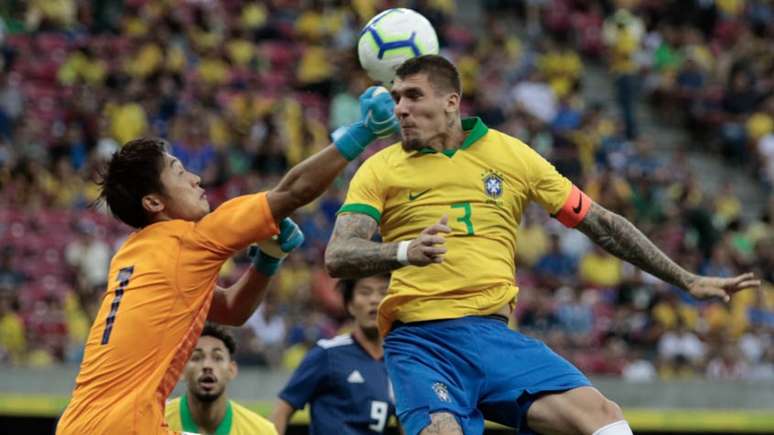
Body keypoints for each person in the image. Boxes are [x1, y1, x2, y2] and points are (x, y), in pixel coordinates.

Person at [325, 55, 760, 435]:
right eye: (397, 97)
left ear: (451, 102)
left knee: (604, 418)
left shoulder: (511, 156)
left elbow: (602, 224)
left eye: (413, 96)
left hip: (492, 337)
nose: (399, 108)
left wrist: (686, 279)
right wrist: (403, 251)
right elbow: (339, 255)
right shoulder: (379, 168)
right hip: (421, 342)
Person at [56, 87, 398, 435]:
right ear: (154, 203)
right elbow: (293, 191)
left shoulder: (134, 254)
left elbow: (232, 310)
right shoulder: (188, 241)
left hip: (83, 423)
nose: (196, 178)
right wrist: (364, 131)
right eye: (178, 172)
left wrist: (267, 260)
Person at [271, 273, 396, 434]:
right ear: (350, 305)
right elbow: (281, 412)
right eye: (365, 292)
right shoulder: (327, 354)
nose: (374, 300)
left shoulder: (397, 365)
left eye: (383, 293)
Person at [165, 323, 277, 434]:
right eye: (196, 358)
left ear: (231, 370)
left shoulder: (261, 431)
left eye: (217, 358)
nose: (207, 365)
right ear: (181, 370)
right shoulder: (156, 421)